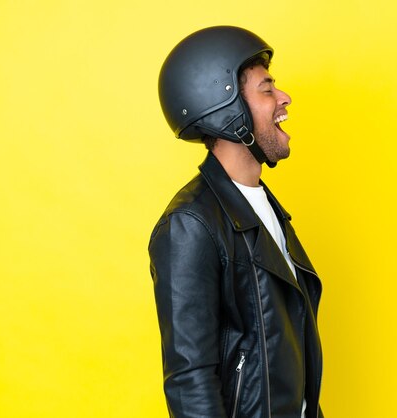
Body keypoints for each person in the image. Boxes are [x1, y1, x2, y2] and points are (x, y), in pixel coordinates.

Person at [149, 26, 324, 418]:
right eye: (267, 89)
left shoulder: (266, 207)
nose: (284, 98)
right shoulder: (190, 224)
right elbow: (189, 380)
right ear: (226, 109)